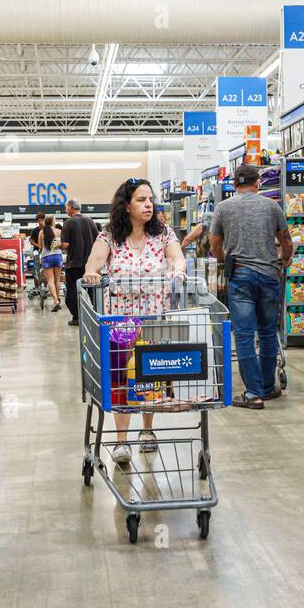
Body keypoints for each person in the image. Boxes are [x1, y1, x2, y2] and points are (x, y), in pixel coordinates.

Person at [81, 177, 187, 467]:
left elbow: (178, 258)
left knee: (148, 374)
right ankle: (121, 440)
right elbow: (94, 262)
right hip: (120, 321)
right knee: (119, 378)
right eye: (141, 200)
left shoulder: (163, 234)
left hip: (154, 316)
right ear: (126, 206)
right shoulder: (109, 236)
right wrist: (92, 273)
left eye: (150, 199)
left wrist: (178, 270)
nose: (148, 204)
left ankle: (148, 431)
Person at [208, 164, 293, 409]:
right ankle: (267, 387)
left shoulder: (223, 208)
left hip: (241, 277)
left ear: (235, 185)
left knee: (244, 334)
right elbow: (285, 241)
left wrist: (226, 260)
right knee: (267, 333)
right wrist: (285, 259)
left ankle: (253, 393)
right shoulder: (271, 206)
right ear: (258, 184)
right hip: (269, 275)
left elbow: (215, 245)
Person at [60, 198, 98, 327]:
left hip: (74, 264)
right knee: (93, 291)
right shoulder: (90, 221)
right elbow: (98, 241)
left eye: (66, 208)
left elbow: (65, 245)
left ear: (71, 208)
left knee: (72, 292)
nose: (65, 210)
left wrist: (57, 246)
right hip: (90, 265)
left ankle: (76, 317)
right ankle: (98, 314)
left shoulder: (68, 223)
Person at [39, 215, 64, 311]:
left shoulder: (41, 232)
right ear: (53, 221)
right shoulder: (59, 231)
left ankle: (55, 300)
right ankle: (57, 299)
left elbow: (40, 247)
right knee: (57, 280)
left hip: (46, 257)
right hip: (57, 256)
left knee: (50, 281)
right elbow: (61, 244)